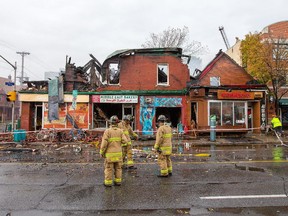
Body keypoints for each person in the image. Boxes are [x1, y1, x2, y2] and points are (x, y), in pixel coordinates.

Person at [100, 115, 128, 187]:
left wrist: (101, 152)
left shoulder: (107, 131)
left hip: (109, 155)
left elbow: (104, 144)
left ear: (110, 123)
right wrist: (120, 145)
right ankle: (118, 182)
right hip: (119, 154)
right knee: (118, 168)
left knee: (109, 169)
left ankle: (108, 183)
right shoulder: (120, 131)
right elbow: (125, 141)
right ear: (117, 123)